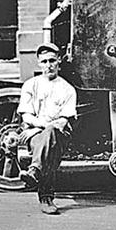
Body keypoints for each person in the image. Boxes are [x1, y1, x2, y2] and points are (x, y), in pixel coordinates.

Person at [16, 43, 78, 214]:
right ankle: (46, 198)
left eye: (52, 60)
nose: (48, 65)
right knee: (48, 143)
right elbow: (26, 116)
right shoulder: (30, 85)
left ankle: (35, 170)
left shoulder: (68, 89)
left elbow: (62, 122)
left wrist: (38, 128)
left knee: (51, 136)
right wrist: (40, 129)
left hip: (57, 135)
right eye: (44, 61)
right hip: (35, 136)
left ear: (59, 61)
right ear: (39, 63)